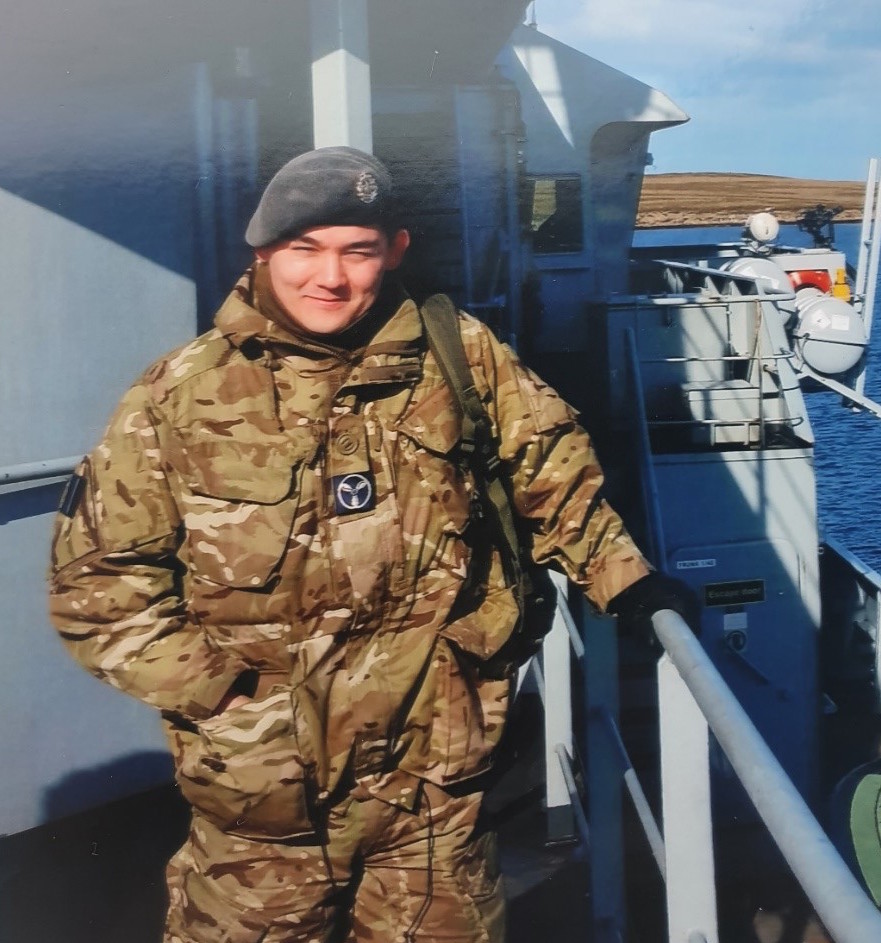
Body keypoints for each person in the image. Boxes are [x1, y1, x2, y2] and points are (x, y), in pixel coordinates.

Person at [48, 146, 694, 943]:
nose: (331, 277)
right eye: (303, 249)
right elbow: (98, 590)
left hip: (437, 790)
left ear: (393, 252)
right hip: (266, 808)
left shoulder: (459, 355)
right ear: (262, 255)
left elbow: (551, 476)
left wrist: (625, 582)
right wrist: (229, 703)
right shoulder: (179, 396)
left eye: (356, 250)